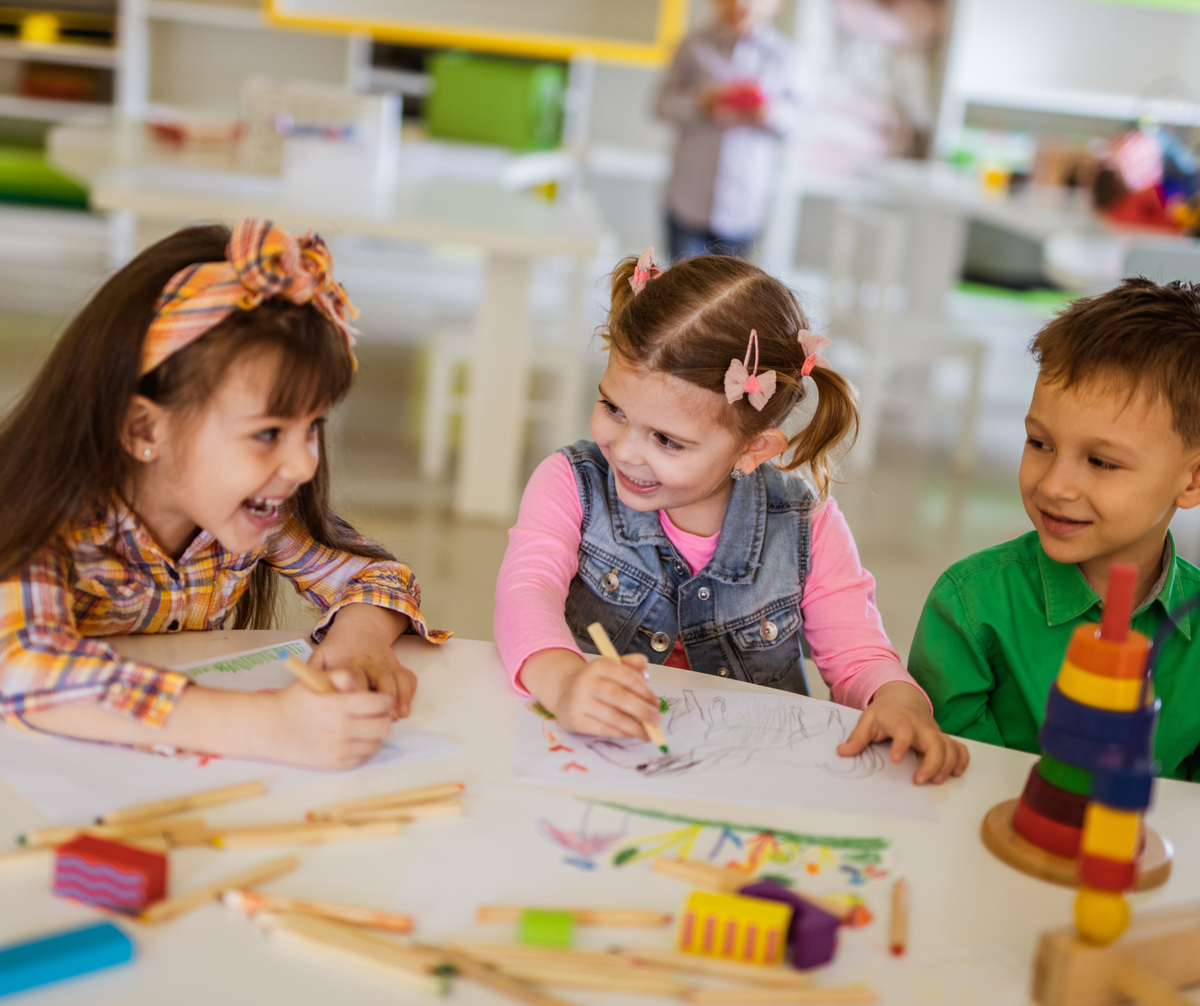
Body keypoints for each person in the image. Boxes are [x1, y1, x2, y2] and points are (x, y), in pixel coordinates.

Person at [494, 250, 969, 785]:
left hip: (748, 783)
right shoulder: (571, 483)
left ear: (753, 449)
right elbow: (525, 593)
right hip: (590, 765)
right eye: (613, 409)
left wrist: (898, 700)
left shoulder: (806, 526)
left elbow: (858, 656)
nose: (624, 451)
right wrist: (562, 681)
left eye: (667, 440)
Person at [0, 219, 447, 770]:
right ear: (144, 431)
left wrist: (361, 641)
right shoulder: (41, 516)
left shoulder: (255, 510)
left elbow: (376, 575)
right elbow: (23, 664)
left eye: (311, 427)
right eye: (267, 433)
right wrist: (269, 726)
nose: (306, 463)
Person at [908, 279, 1200, 780]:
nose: (1055, 485)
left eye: (1101, 462)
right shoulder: (970, 606)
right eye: (1039, 443)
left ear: (1192, 479)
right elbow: (949, 782)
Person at [655, 0, 799, 262]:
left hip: (743, 207)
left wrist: (769, 113)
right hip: (687, 199)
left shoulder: (783, 55)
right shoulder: (692, 45)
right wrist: (701, 104)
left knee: (732, 299)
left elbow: (798, 122)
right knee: (681, 298)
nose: (741, 3)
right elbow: (660, 105)